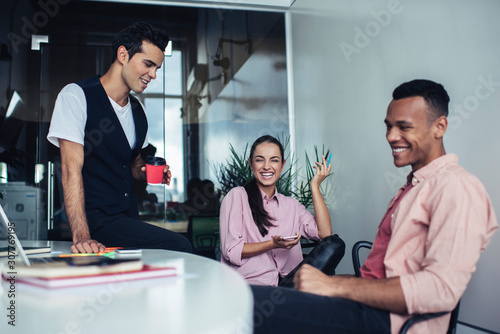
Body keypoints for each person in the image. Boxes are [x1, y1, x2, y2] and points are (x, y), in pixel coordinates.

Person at [251, 80, 498, 333]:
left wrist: (333, 286)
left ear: (439, 126)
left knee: (250, 306)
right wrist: (325, 282)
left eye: (404, 127)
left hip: (386, 322)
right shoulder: (414, 187)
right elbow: (377, 279)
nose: (391, 136)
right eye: (389, 126)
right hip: (367, 307)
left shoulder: (457, 187)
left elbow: (441, 290)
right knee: (247, 297)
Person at [47, 22, 192, 254]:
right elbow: (69, 169)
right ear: (123, 54)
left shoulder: (138, 111)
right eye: (148, 64)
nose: (153, 75)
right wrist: (82, 236)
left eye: (157, 68)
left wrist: (149, 170)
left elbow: (133, 167)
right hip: (96, 221)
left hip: (127, 217)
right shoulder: (77, 96)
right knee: (179, 245)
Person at [219, 135, 333, 287]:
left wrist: (315, 186)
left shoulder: (291, 205)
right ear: (250, 164)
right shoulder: (237, 196)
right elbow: (231, 250)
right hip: (249, 287)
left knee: (336, 245)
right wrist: (272, 244)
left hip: (289, 286)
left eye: (274, 160)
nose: (267, 166)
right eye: (260, 160)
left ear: (283, 164)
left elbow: (324, 234)